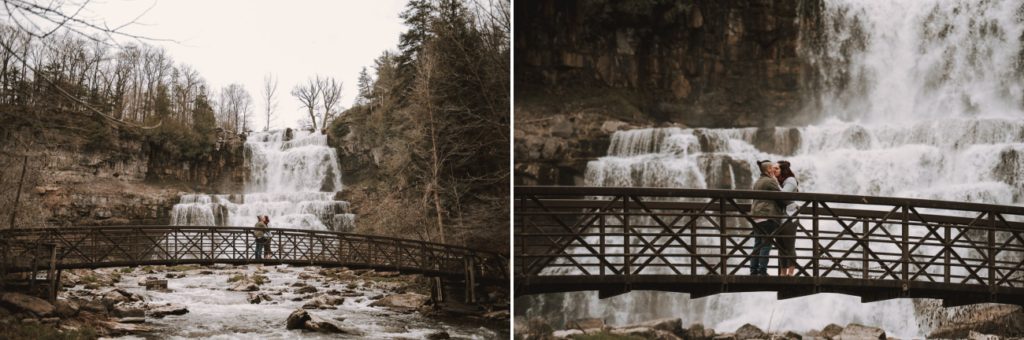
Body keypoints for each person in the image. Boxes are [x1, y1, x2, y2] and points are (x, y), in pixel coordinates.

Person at [750, 160, 784, 276]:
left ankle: (753, 270)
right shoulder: (770, 182)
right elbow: (782, 197)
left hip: (756, 216)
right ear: (769, 170)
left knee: (757, 244)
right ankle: (762, 271)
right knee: (766, 244)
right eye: (772, 168)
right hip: (767, 216)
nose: (774, 170)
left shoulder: (757, 181)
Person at [775, 160, 799, 277]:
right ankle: (783, 273)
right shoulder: (780, 181)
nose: (773, 171)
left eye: (776, 169)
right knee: (780, 247)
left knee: (789, 246)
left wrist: (773, 183)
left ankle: (791, 272)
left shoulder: (790, 180)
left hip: (790, 217)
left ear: (783, 170)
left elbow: (783, 196)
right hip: (779, 217)